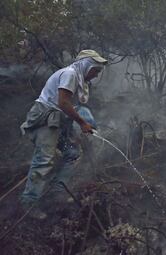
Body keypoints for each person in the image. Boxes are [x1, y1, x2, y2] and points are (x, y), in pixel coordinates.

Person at [20, 49, 108, 219]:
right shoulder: (70, 74)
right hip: (45, 118)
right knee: (44, 160)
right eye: (95, 70)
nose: (96, 75)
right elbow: (63, 102)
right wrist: (82, 123)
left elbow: (70, 106)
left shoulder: (79, 78)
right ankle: (29, 203)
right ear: (86, 65)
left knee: (72, 153)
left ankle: (57, 192)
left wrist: (80, 125)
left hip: (58, 120)